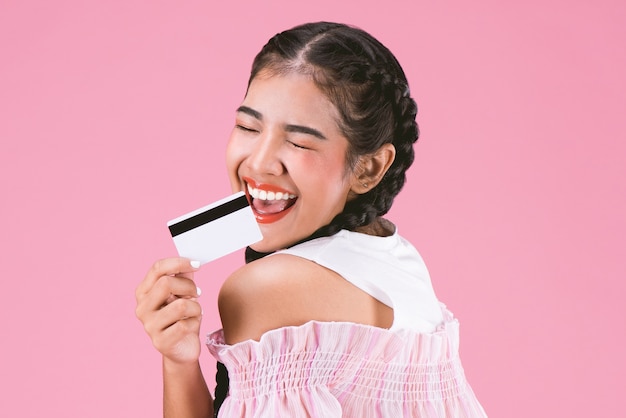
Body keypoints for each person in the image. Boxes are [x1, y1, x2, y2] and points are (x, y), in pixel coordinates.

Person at [135, 21, 487, 417]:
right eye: (248, 126)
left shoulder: (267, 289)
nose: (260, 162)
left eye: (299, 141)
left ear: (369, 168)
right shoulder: (398, 259)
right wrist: (179, 360)